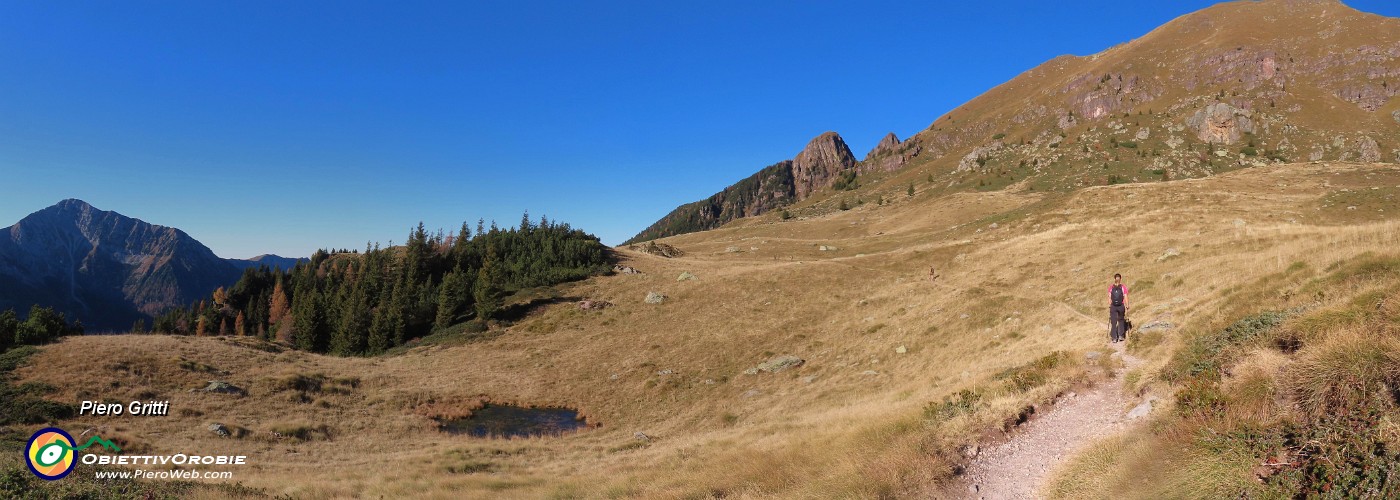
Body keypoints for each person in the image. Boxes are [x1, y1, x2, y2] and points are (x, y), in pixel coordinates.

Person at [1108, 273, 1130, 343]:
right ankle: (1121, 336)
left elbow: (1109, 297)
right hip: (1121, 306)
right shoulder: (1123, 287)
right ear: (1120, 279)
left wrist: (1109, 305)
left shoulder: (1111, 287)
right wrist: (1127, 305)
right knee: (1121, 320)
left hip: (1113, 306)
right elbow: (1125, 296)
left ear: (1114, 279)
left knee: (1113, 322)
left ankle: (1114, 338)